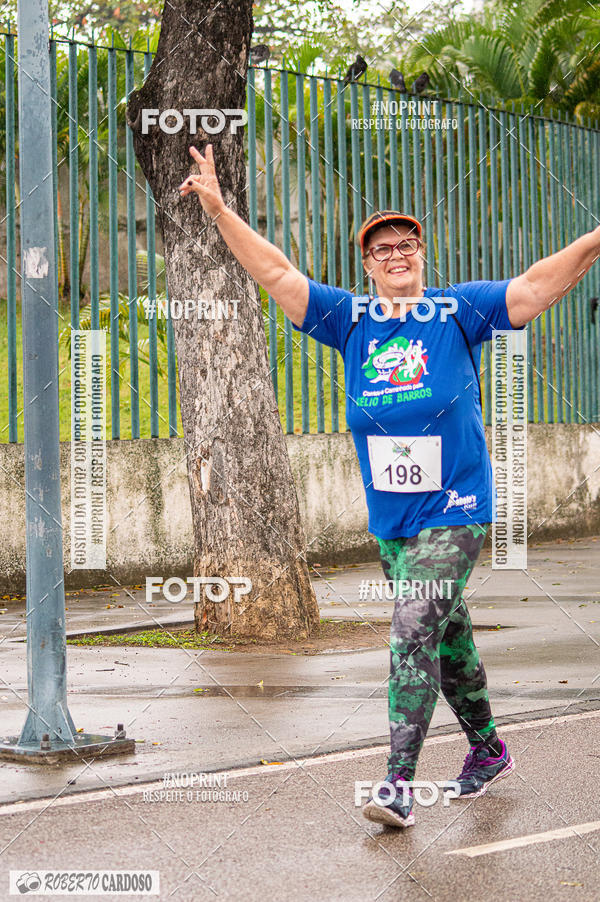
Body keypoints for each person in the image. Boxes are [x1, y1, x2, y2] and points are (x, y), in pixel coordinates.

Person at [179, 143, 600, 829]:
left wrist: (595, 238)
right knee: (449, 636)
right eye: (382, 249)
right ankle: (488, 750)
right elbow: (276, 272)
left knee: (411, 629)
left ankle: (397, 784)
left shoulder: (458, 312)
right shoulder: (350, 321)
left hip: (457, 506)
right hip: (394, 519)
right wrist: (222, 212)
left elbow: (537, 284)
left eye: (407, 243)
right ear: (368, 264)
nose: (397, 254)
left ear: (421, 254)